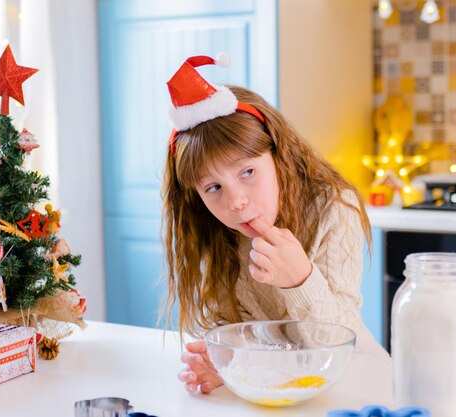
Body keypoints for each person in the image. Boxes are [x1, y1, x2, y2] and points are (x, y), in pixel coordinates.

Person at [161, 54, 386, 395]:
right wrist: (227, 362)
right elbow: (239, 330)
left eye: (247, 172)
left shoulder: (333, 208)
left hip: (358, 384)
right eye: (213, 188)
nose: (236, 201)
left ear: (278, 156)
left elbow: (340, 344)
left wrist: (300, 280)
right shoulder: (217, 232)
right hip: (281, 392)